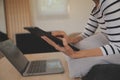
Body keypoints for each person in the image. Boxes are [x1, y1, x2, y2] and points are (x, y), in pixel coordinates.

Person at [41, 0, 120, 78]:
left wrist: (76, 54)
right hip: (109, 42)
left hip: (116, 47)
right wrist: (69, 41)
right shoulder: (96, 9)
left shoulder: (110, 3)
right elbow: (84, 34)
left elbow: (117, 47)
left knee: (76, 62)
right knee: (73, 52)